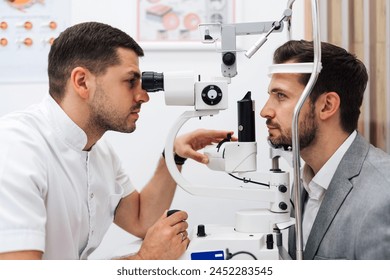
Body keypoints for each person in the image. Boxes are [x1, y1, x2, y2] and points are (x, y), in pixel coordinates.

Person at [0, 22, 233, 260]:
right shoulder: (16, 149)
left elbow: (142, 220)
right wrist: (142, 261)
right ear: (82, 82)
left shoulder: (99, 151)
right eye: (131, 81)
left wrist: (173, 155)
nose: (143, 96)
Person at [260, 40, 390, 260]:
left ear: (327, 106)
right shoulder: (304, 182)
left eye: (281, 96)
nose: (265, 111)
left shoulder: (382, 195)